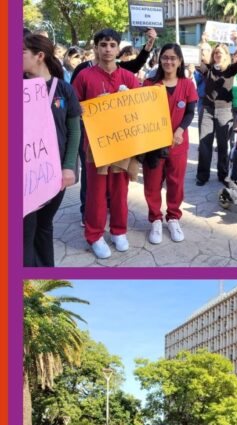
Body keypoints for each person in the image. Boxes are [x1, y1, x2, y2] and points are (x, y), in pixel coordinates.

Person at [71, 28, 141, 259]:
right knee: (96, 192)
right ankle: (94, 235)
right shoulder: (84, 76)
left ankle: (119, 231)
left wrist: (129, 100)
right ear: (96, 48)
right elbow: (73, 107)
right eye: (103, 44)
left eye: (112, 45)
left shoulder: (129, 78)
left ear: (118, 48)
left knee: (120, 191)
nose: (108, 49)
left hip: (122, 145)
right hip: (96, 145)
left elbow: (142, 109)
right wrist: (90, 106)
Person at [22, 34, 82, 267]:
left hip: (54, 174)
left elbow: (74, 132)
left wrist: (68, 168)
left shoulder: (64, 90)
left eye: (21, 53)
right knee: (25, 229)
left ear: (39, 56)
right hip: (23, 175)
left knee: (44, 225)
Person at [141, 43, 197, 245]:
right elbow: (140, 112)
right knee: (152, 183)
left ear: (180, 61)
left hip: (177, 144)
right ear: (159, 59)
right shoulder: (149, 84)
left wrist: (180, 130)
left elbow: (190, 112)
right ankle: (155, 219)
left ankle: (173, 217)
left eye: (173, 58)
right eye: (165, 57)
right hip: (154, 145)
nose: (168, 61)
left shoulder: (187, 84)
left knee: (176, 183)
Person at [195, 31, 237, 186]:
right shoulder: (209, 69)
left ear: (226, 56)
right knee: (204, 143)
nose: (218, 54)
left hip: (225, 111)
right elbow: (195, 59)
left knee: (223, 145)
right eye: (216, 52)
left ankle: (223, 174)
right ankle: (202, 175)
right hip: (207, 110)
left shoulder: (230, 69)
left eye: (221, 52)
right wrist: (203, 42)